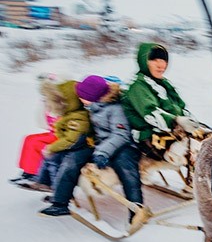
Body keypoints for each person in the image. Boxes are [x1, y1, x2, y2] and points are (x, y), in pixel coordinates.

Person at [39, 76, 144, 229]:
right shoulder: (90, 106)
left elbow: (121, 134)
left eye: (83, 97)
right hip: (98, 145)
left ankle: (136, 209)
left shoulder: (115, 109)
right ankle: (60, 202)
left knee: (126, 166)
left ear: (94, 97)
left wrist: (103, 153)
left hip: (122, 145)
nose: (80, 99)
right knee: (72, 159)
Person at [121, 42, 205, 161]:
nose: (161, 65)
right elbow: (151, 114)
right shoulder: (137, 86)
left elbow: (179, 107)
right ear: (144, 61)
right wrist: (176, 120)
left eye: (164, 60)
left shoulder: (162, 83)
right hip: (150, 138)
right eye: (154, 60)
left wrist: (191, 122)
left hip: (173, 132)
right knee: (200, 155)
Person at [10, 74, 70, 191]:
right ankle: (27, 171)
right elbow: (43, 121)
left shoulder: (63, 103)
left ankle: (34, 173)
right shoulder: (48, 104)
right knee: (28, 139)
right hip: (54, 132)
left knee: (36, 143)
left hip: (62, 135)